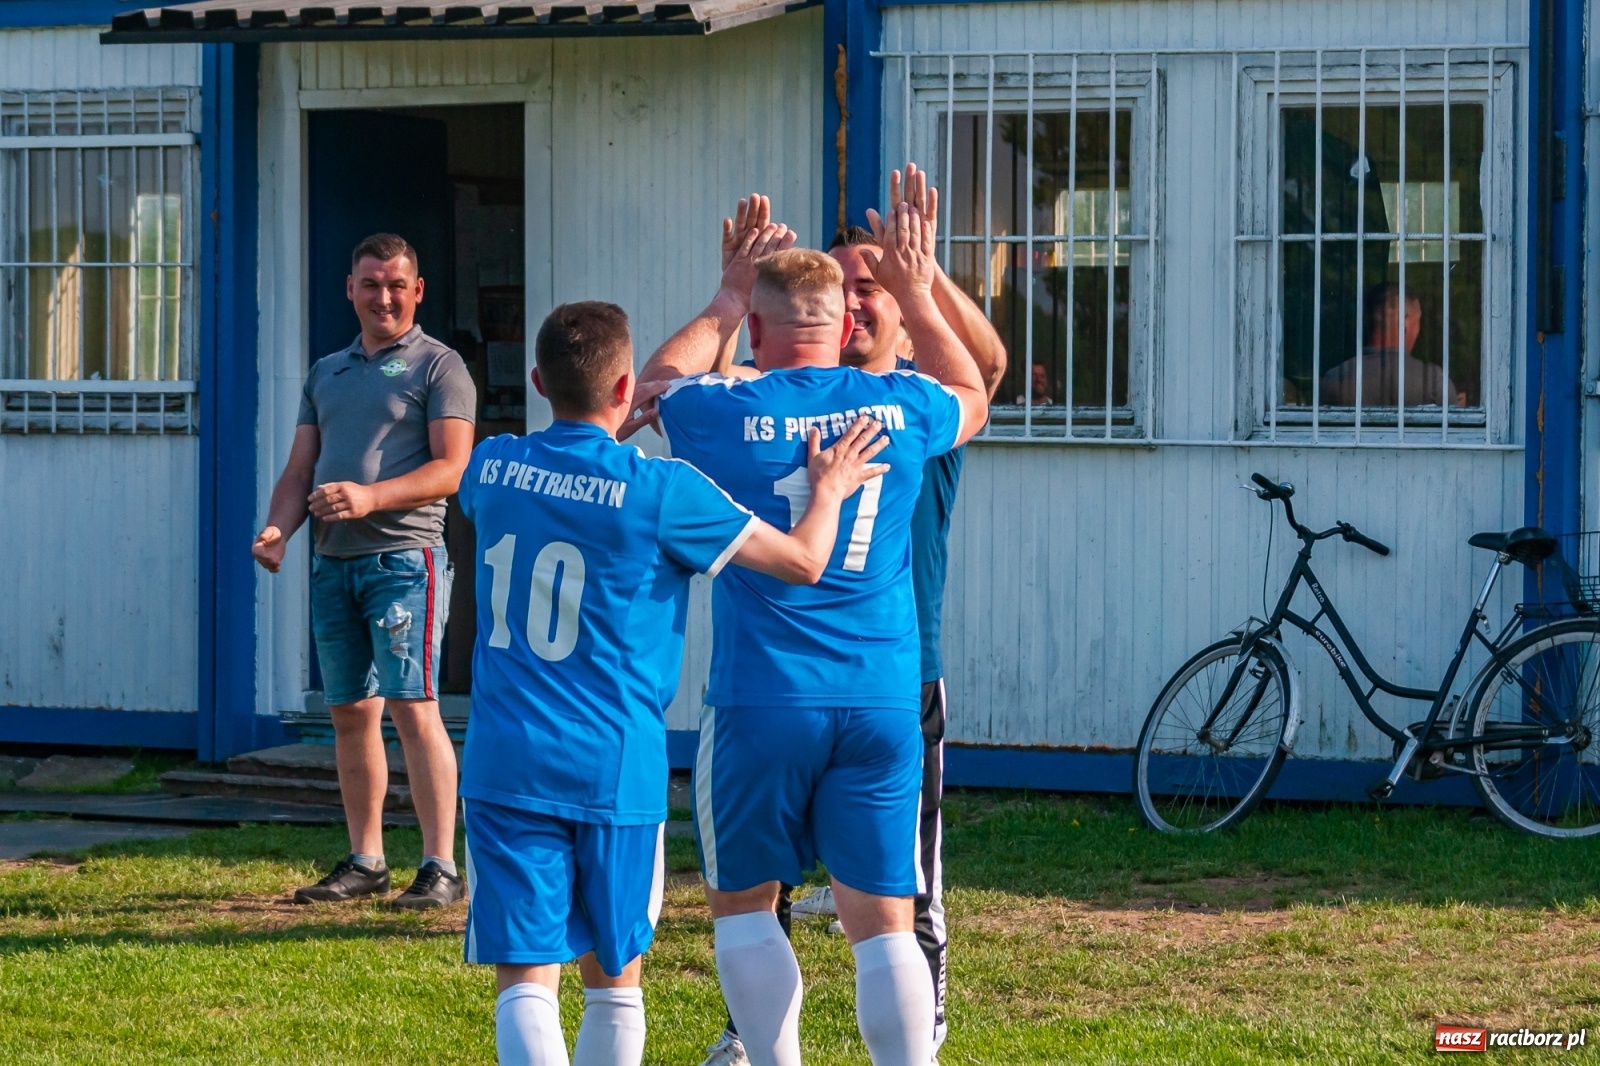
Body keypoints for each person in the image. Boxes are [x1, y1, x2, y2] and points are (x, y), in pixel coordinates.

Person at [458, 300, 889, 1066]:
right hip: (613, 763)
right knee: (614, 984)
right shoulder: (663, 492)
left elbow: (573, 451)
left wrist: (723, 299)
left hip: (506, 757)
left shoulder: (492, 467)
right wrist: (829, 489)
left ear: (535, 380)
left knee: (525, 978)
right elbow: (802, 562)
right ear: (626, 386)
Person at [641, 171, 1005, 1066]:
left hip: (765, 696)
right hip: (883, 695)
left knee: (745, 907)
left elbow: (646, 389)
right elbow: (976, 389)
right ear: (846, 328)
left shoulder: (727, 408)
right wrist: (918, 290)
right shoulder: (906, 406)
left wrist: (726, 295)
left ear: (757, 334)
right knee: (884, 927)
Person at [252, 232, 475, 909]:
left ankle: (440, 866)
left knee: (413, 706)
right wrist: (276, 529)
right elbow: (299, 471)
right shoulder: (327, 372)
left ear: (418, 290)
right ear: (349, 289)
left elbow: (452, 468)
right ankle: (366, 859)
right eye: (371, 283)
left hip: (406, 560)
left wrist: (372, 496)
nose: (384, 295)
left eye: (396, 283)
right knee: (350, 712)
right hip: (332, 561)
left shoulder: (441, 367)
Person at [1316, 282, 1466, 409]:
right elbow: (1452, 435)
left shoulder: (1334, 378)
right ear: (1405, 324)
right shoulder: (1433, 380)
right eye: (1418, 322)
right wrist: (1459, 412)